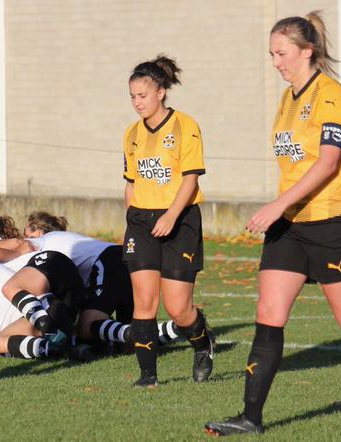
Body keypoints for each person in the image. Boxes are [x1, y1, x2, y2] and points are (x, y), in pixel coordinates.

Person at [205, 11, 341, 435]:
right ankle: (250, 418)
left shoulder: (330, 95)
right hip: (290, 226)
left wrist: (276, 204)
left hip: (333, 224)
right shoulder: (288, 99)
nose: (275, 61)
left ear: (307, 51)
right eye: (272, 53)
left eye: (282, 53)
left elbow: (328, 164)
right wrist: (282, 210)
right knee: (268, 313)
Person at [122, 55, 213, 388]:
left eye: (142, 95)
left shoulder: (184, 126)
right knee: (145, 301)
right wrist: (130, 224)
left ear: (160, 92)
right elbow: (131, 182)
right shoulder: (131, 134)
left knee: (178, 308)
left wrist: (171, 215)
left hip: (181, 218)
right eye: (132, 96)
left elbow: (190, 179)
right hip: (142, 223)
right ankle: (148, 377)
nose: (137, 102)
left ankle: (203, 343)